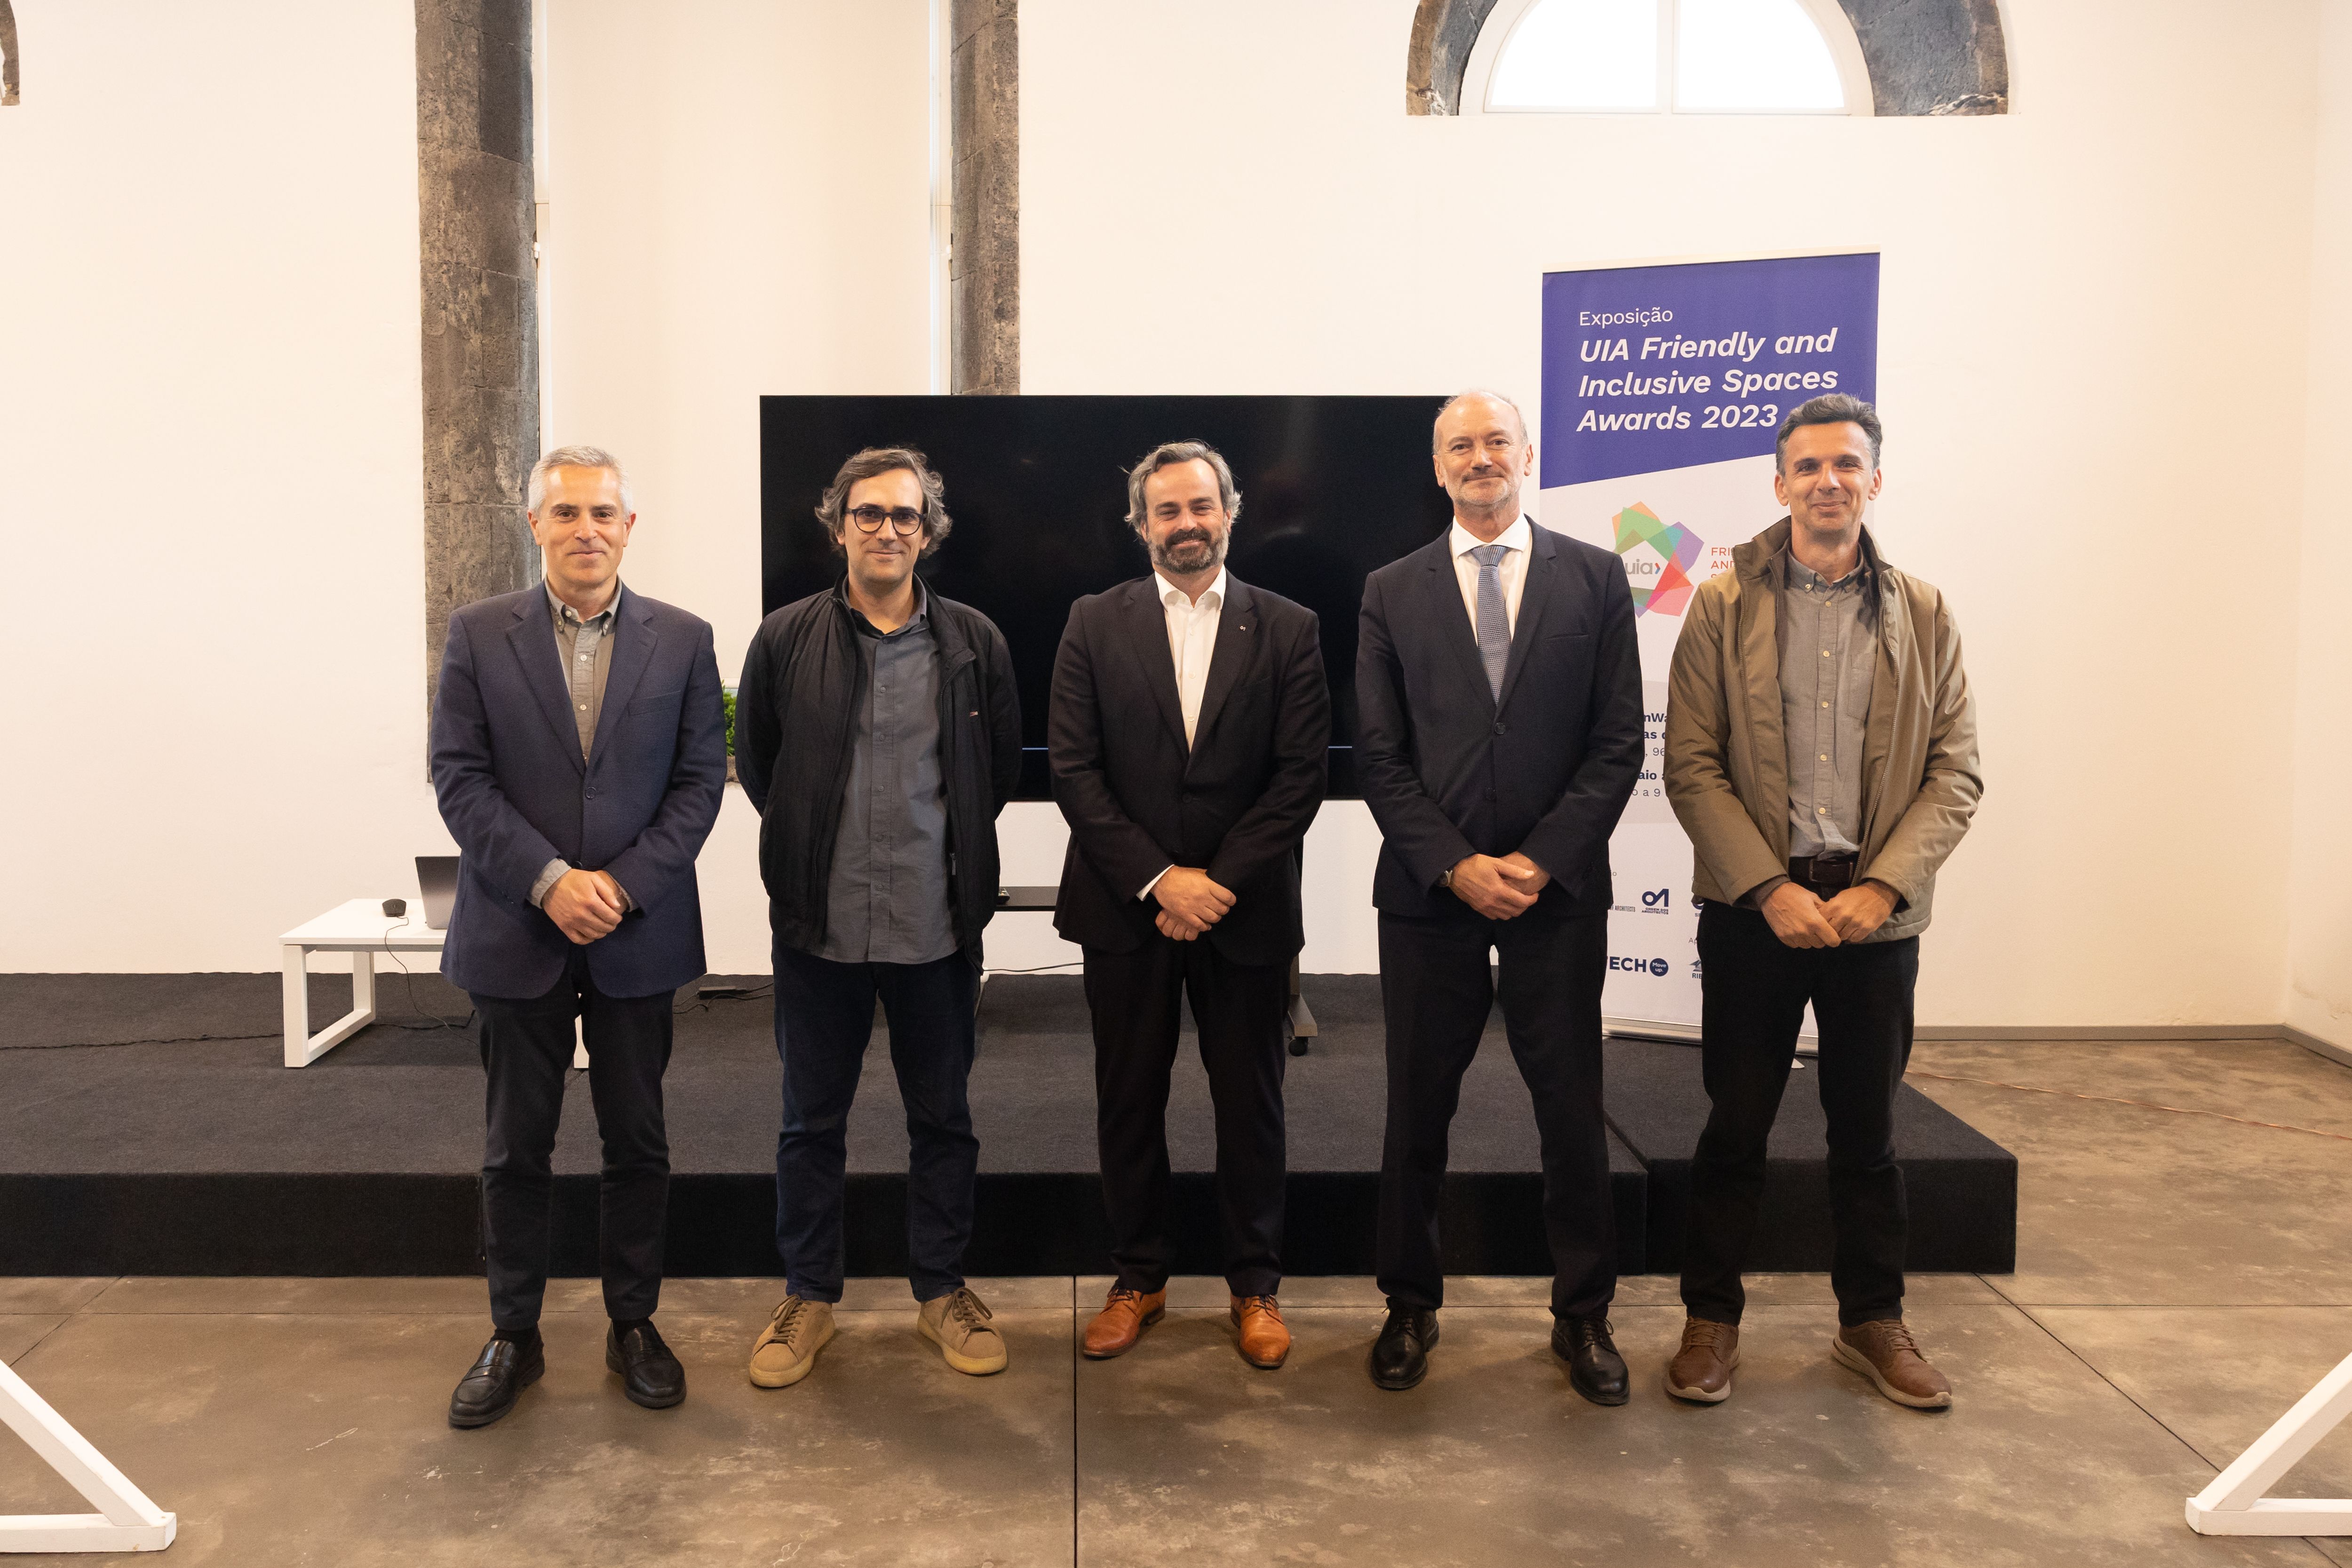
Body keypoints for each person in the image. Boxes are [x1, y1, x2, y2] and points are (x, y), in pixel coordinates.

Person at [1661, 393, 1981, 1410]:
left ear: (1873, 480)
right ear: (1780, 483)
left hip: (1874, 920)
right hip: (1754, 914)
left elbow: (1956, 772)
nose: (1827, 481)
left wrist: (1884, 885)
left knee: (1868, 1133)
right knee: (1734, 1125)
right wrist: (1767, 887)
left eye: (1846, 464)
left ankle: (1871, 1321)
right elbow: (1691, 764)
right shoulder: (1722, 605)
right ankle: (1711, 1319)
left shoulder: (1925, 612)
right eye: (1807, 466)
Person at [429, 444, 727, 1427]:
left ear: (629, 527)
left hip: (640, 934)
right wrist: (551, 880)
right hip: (517, 928)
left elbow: (698, 784)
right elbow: (459, 777)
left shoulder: (684, 639)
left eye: (603, 513)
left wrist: (622, 887)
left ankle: (632, 1321)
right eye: (565, 513)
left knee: (637, 1139)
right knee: (515, 1145)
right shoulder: (479, 634)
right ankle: (513, 1331)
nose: (585, 529)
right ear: (535, 525)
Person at [1355, 391, 1644, 1398]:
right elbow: (1379, 755)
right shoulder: (1390, 589)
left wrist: (1539, 860)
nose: (1479, 458)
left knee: (1570, 1108)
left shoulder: (1596, 576)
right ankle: (1408, 1304)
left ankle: (1584, 1315)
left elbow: (1618, 741)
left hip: (1554, 894)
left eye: (1496, 441)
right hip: (1428, 894)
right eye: (1459, 446)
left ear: (1529, 455)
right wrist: (1455, 862)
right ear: (1437, 468)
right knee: (1415, 1109)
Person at [734, 446, 1022, 1387]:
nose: (887, 529)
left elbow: (994, 774)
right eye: (869, 513)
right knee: (809, 1121)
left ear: (928, 532)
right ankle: (808, 1294)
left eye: (905, 515)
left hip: (937, 927)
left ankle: (941, 1288)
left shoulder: (974, 640)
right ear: (839, 526)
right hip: (818, 925)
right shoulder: (784, 639)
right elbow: (763, 766)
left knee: (944, 1117)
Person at [1049, 440, 1331, 1369]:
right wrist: (1159, 878)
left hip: (1244, 910)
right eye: (1166, 510)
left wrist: (1215, 881)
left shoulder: (1288, 626)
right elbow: (1075, 770)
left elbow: (1298, 776)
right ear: (1141, 525)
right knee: (1128, 1098)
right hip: (1124, 907)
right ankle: (1139, 1276)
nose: (1186, 524)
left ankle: (1256, 1284)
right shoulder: (1093, 621)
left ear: (1230, 513)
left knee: (1251, 1103)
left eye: (1201, 506)